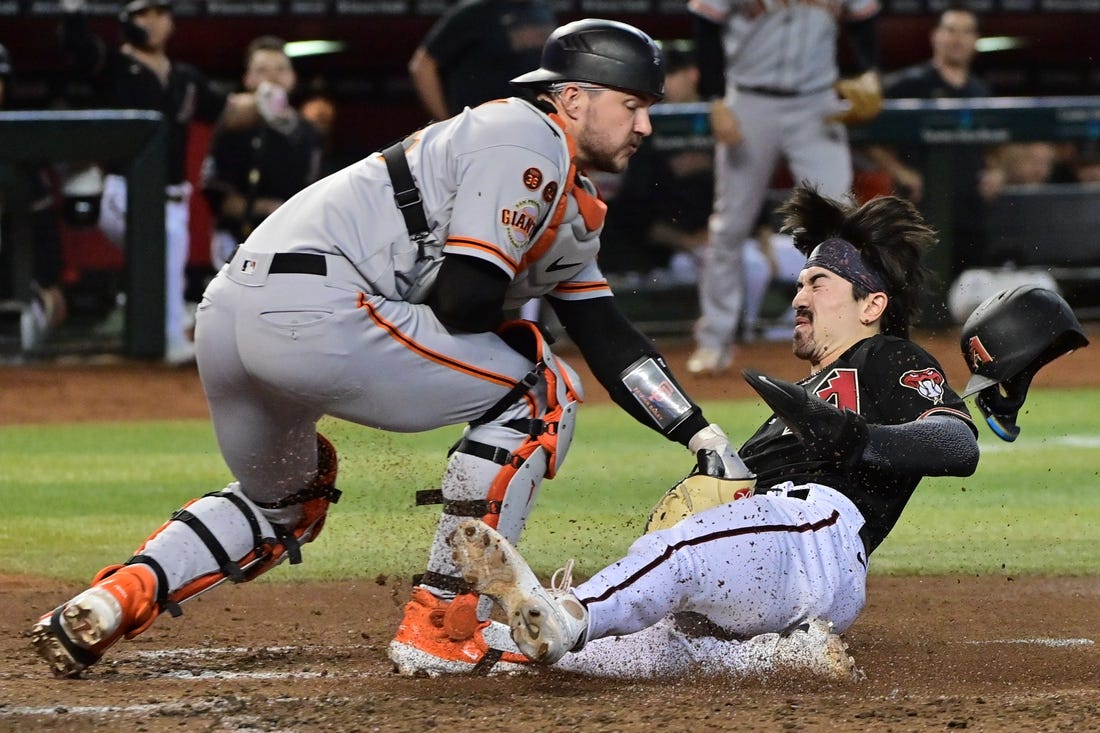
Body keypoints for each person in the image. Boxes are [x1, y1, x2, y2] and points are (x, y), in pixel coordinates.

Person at [30, 19, 757, 681]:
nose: (646, 123)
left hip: (234, 313)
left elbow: (609, 334)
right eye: (632, 104)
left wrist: (699, 431)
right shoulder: (528, 137)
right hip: (319, 309)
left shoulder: (559, 193)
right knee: (540, 388)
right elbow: (462, 299)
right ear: (571, 99)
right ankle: (443, 621)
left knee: (283, 500)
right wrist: (523, 331)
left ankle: (116, 596)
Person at [451, 184, 984, 677]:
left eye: (818, 283)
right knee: (653, 642)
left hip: (816, 538)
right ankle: (481, 648)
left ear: (872, 304)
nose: (799, 298)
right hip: (778, 561)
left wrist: (854, 438)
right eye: (799, 283)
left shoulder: (888, 356)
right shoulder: (801, 402)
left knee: (672, 557)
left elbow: (957, 444)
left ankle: (570, 609)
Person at [58, 0, 288, 364]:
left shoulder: (184, 78)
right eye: (142, 14)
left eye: (160, 13)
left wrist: (262, 103)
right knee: (159, 246)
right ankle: (161, 336)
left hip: (175, 198)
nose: (153, 21)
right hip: (123, 188)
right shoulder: (116, 65)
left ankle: (152, 330)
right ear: (126, 21)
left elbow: (227, 111)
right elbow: (80, 52)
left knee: (168, 261)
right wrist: (73, 13)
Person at [684, 0, 882, 375]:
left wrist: (868, 71)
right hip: (749, 98)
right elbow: (705, 24)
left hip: (816, 102)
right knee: (730, 225)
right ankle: (714, 342)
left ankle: (845, 338)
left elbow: (864, 19)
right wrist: (715, 97)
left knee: (840, 221)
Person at [864, 4, 992, 280]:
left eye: (966, 32)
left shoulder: (981, 89)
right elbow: (865, 132)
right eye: (950, 30)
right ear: (935, 36)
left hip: (971, 210)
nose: (958, 39)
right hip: (922, 210)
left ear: (975, 40)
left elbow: (998, 143)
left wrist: (998, 170)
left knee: (970, 295)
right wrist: (899, 171)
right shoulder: (908, 84)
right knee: (921, 295)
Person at [201, 36, 323, 271]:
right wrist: (270, 208)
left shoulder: (308, 132)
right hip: (240, 242)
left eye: (280, 69)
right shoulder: (233, 127)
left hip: (294, 241)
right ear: (248, 79)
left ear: (293, 77)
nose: (273, 76)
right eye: (262, 70)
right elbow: (221, 200)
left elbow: (316, 194)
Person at [0, 42, 68, 352]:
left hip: (12, 279)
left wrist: (50, 283)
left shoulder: (22, 143)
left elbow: (43, 226)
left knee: (27, 327)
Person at [408, 0, 556, 121]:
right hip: (482, 130)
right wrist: (446, 122)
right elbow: (423, 65)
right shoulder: (475, 12)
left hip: (532, 125)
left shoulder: (541, 10)